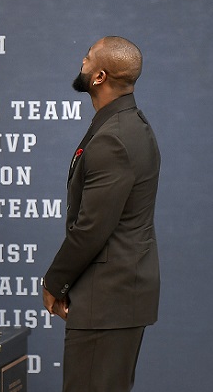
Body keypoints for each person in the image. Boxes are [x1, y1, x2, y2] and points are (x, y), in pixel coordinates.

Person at [42, 37, 161, 391]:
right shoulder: (128, 126)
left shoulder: (115, 138)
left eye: (88, 58)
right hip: (116, 296)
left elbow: (92, 228)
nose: (82, 60)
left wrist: (54, 282)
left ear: (99, 76)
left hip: (106, 300)